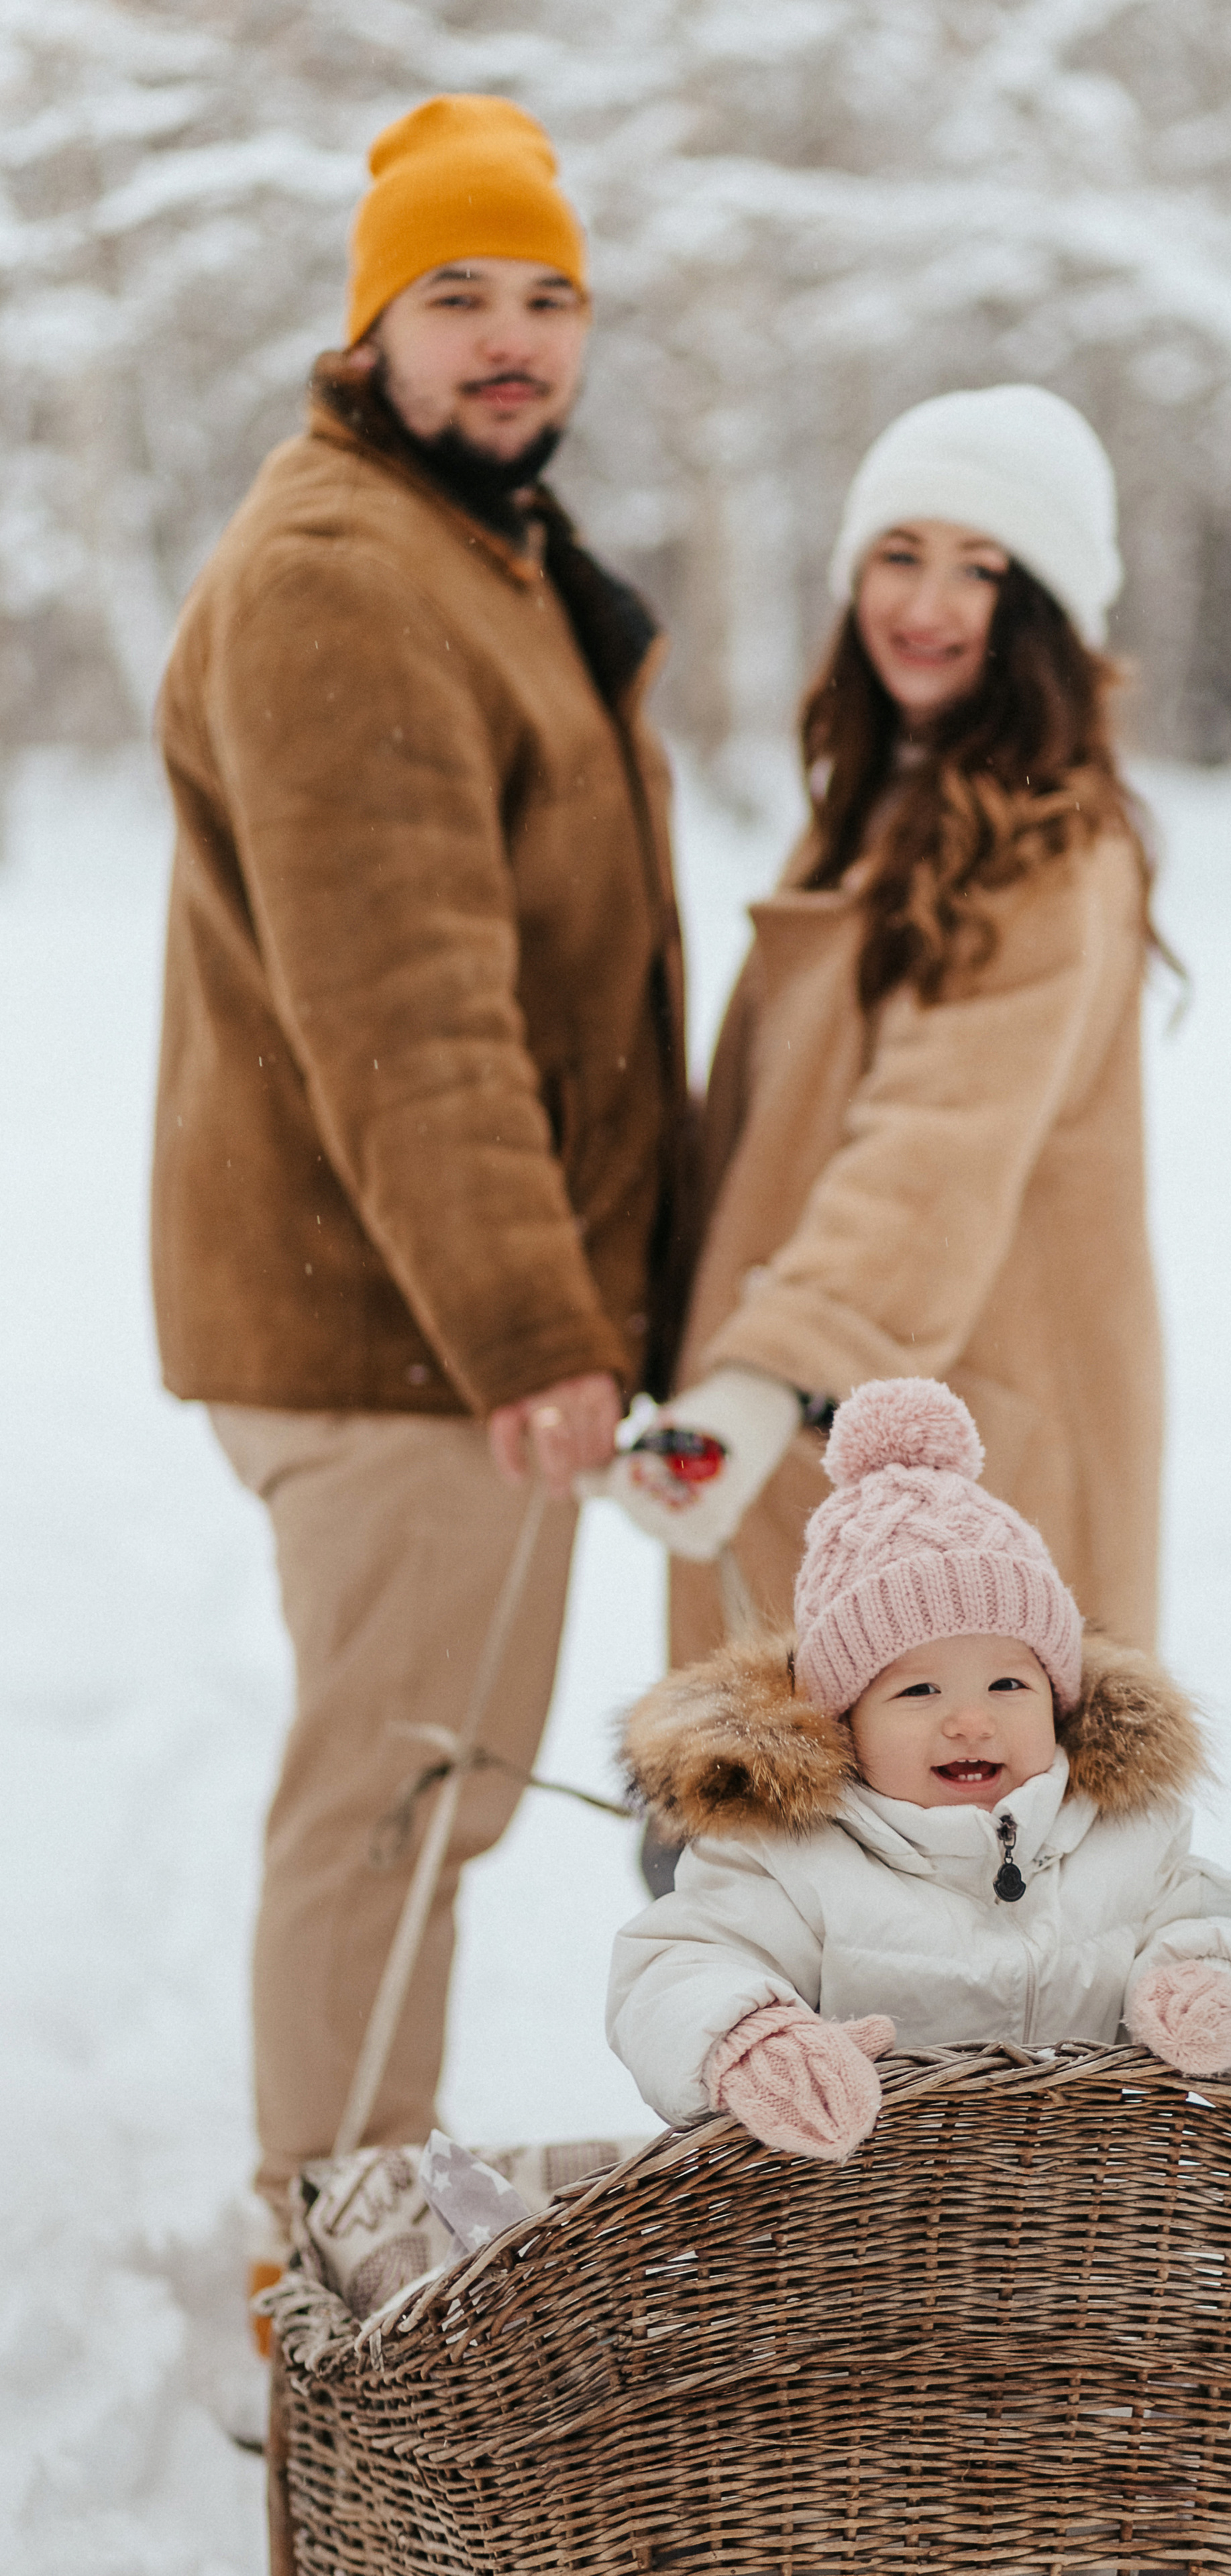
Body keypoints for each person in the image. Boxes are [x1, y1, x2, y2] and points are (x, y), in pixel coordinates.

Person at [150, 97, 688, 2251]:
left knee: (421, 1798)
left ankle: (353, 2194)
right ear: (369, 325)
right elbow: (410, 1009)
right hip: (396, 1325)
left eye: (548, 298)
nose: (511, 340)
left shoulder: (476, 550)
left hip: (427, 1314)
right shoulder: (343, 575)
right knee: (391, 1806)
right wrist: (532, 1328)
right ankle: (332, 2251)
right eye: (454, 295)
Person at [613, 385, 1167, 1713]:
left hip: (955, 1472)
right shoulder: (879, 811)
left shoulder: (1040, 847)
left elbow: (935, 1144)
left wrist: (764, 1378)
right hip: (841, 1431)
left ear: (1041, 611)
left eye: (980, 569)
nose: (924, 604)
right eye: (897, 553)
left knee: (932, 1883)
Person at [608, 1380, 1231, 2155]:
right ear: (842, 1722)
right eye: (918, 1689)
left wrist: (1207, 1977)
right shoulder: (791, 1860)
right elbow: (677, 1965)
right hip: (851, 2232)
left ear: (1058, 1701)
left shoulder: (1124, 1832)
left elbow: (1225, 1916)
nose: (969, 1720)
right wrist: (749, 2040)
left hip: (1103, 2229)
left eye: (1008, 1685)